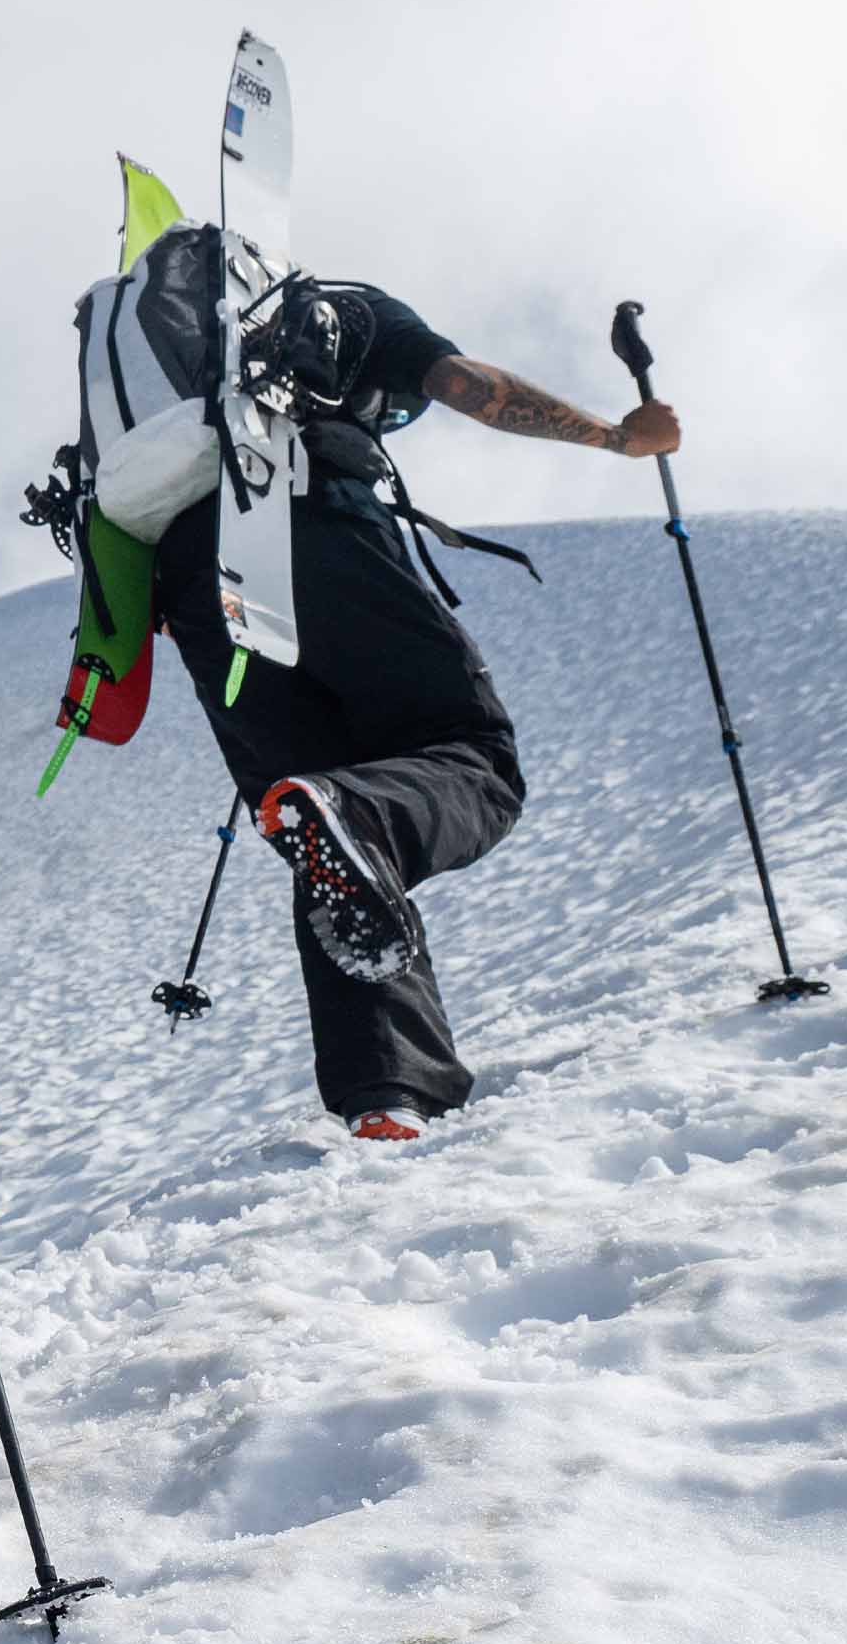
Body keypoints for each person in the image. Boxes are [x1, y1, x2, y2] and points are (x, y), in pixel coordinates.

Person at [152, 263, 678, 1143]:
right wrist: (622, 439)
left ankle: (386, 1091)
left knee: (329, 845)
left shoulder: (167, 389)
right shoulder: (343, 314)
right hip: (314, 521)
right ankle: (354, 826)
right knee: (473, 759)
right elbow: (469, 386)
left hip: (195, 591)